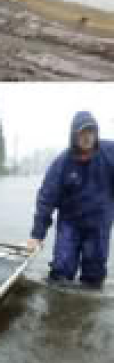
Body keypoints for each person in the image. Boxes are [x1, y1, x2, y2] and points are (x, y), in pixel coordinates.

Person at [28, 110, 114, 289]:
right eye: (82, 132)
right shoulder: (62, 163)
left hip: (99, 223)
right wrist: (37, 235)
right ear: (74, 135)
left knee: (94, 277)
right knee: (61, 274)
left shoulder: (109, 152)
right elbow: (46, 199)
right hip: (70, 223)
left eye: (91, 131)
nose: (87, 136)